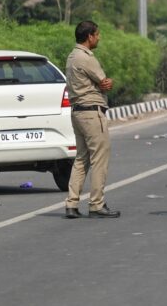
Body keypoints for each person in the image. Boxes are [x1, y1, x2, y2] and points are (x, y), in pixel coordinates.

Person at [63, 20, 120, 219]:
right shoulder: (86, 57)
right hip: (91, 113)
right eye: (97, 34)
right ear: (89, 36)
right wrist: (106, 83)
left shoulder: (72, 56)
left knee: (81, 159)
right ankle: (97, 204)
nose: (99, 38)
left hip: (77, 112)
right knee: (99, 159)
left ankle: (71, 203)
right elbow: (104, 82)